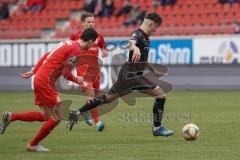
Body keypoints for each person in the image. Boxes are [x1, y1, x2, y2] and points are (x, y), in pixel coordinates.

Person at [67, 13, 174, 137]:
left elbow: (142, 60)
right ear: (151, 24)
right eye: (155, 27)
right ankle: (157, 128)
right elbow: (131, 43)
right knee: (161, 96)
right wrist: (135, 47)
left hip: (129, 75)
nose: (155, 30)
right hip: (133, 76)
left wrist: (153, 70)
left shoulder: (146, 38)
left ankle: (77, 112)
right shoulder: (138, 34)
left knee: (107, 98)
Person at [0, 28, 98, 152]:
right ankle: (33, 145)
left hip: (40, 78)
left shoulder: (67, 43)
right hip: (46, 81)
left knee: (45, 115)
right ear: (90, 41)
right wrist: (78, 81)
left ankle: (11, 117)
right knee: (59, 115)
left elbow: (47, 55)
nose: (92, 47)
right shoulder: (76, 50)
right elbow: (66, 73)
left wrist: (34, 70)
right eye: (93, 43)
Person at [70, 12, 108, 131]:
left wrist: (104, 52)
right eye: (89, 22)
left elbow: (103, 47)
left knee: (94, 99)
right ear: (82, 23)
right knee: (91, 98)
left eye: (93, 22)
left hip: (95, 71)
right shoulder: (75, 36)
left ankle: (84, 111)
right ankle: (98, 123)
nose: (91, 24)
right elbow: (70, 50)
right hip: (83, 71)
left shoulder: (99, 36)